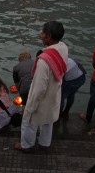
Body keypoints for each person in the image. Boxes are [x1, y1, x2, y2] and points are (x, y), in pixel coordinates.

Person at [14, 21, 68, 152]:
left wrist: (30, 107)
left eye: (42, 32)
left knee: (29, 121)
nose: (40, 34)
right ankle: (44, 143)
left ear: (48, 36)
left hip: (42, 98)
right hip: (54, 93)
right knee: (47, 121)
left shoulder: (44, 60)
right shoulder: (63, 48)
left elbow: (39, 88)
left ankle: (26, 145)